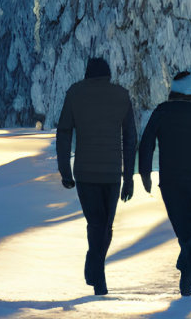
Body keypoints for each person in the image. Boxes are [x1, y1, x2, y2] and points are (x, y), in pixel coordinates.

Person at [137, 71, 191, 297]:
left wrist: (145, 174)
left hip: (170, 182)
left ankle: (190, 274)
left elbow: (146, 144)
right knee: (189, 229)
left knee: (184, 229)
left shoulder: (161, 112)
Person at [56, 57, 137, 296]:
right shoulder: (121, 95)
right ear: (108, 74)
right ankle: (98, 278)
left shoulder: (75, 94)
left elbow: (64, 132)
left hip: (85, 173)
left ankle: (94, 267)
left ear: (87, 74)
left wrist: (65, 170)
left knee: (96, 224)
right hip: (112, 174)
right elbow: (130, 138)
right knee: (105, 227)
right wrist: (129, 177)